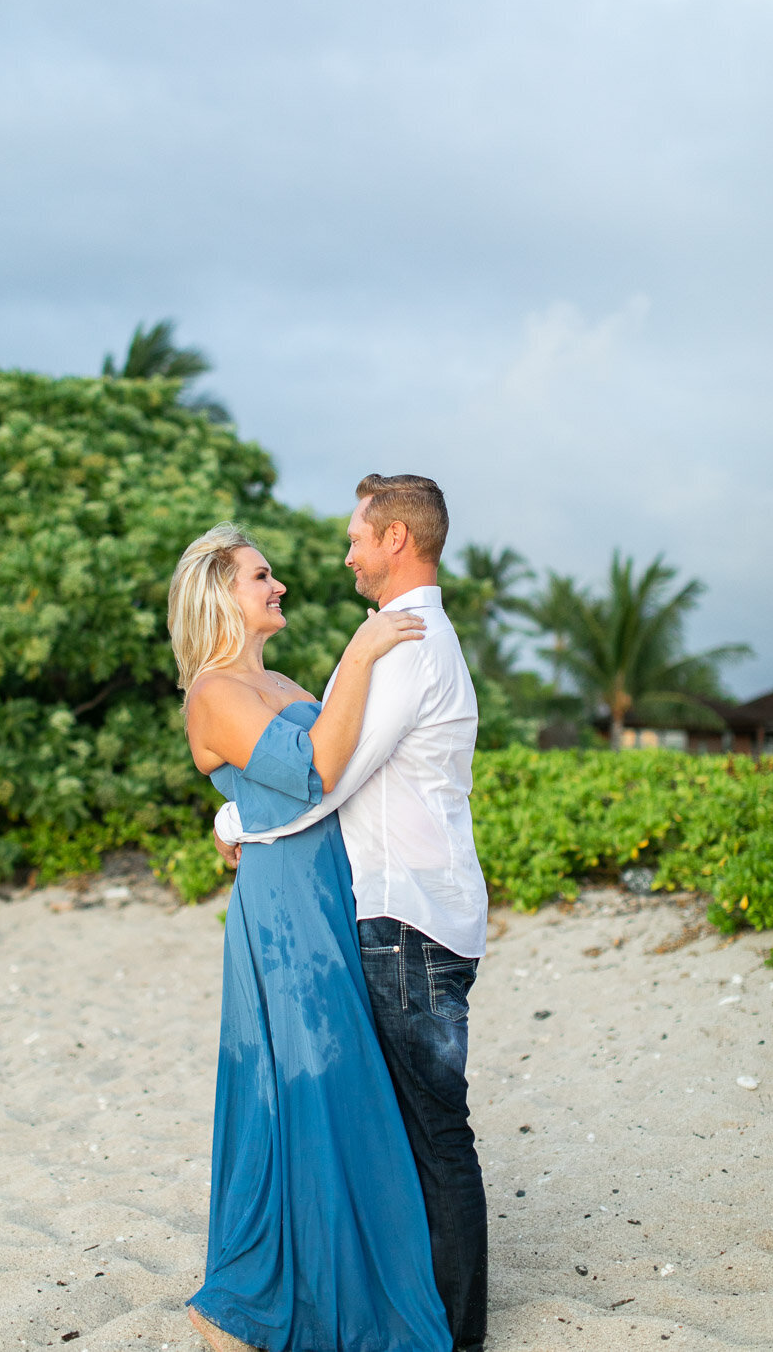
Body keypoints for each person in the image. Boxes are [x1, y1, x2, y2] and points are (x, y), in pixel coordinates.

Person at [215, 475, 488, 1352]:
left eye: (356, 539)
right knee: (414, 1124)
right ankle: (425, 1313)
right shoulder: (408, 637)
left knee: (432, 1131)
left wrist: (233, 821)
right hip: (410, 912)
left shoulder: (403, 645)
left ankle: (448, 1328)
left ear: (396, 538)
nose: (345, 556)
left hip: (407, 920)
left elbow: (326, 777)